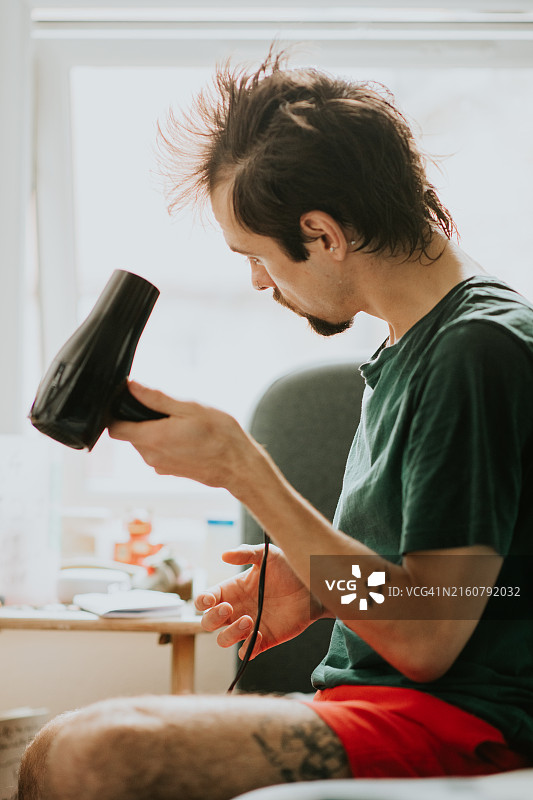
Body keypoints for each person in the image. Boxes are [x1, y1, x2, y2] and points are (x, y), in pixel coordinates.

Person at [18, 49, 533, 800]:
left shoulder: (474, 350)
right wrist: (323, 591)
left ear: (321, 234)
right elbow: (456, 590)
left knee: (91, 756)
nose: (258, 281)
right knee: (54, 747)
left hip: (462, 722)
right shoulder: (411, 343)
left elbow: (426, 635)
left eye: (255, 256)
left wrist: (243, 470)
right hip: (387, 705)